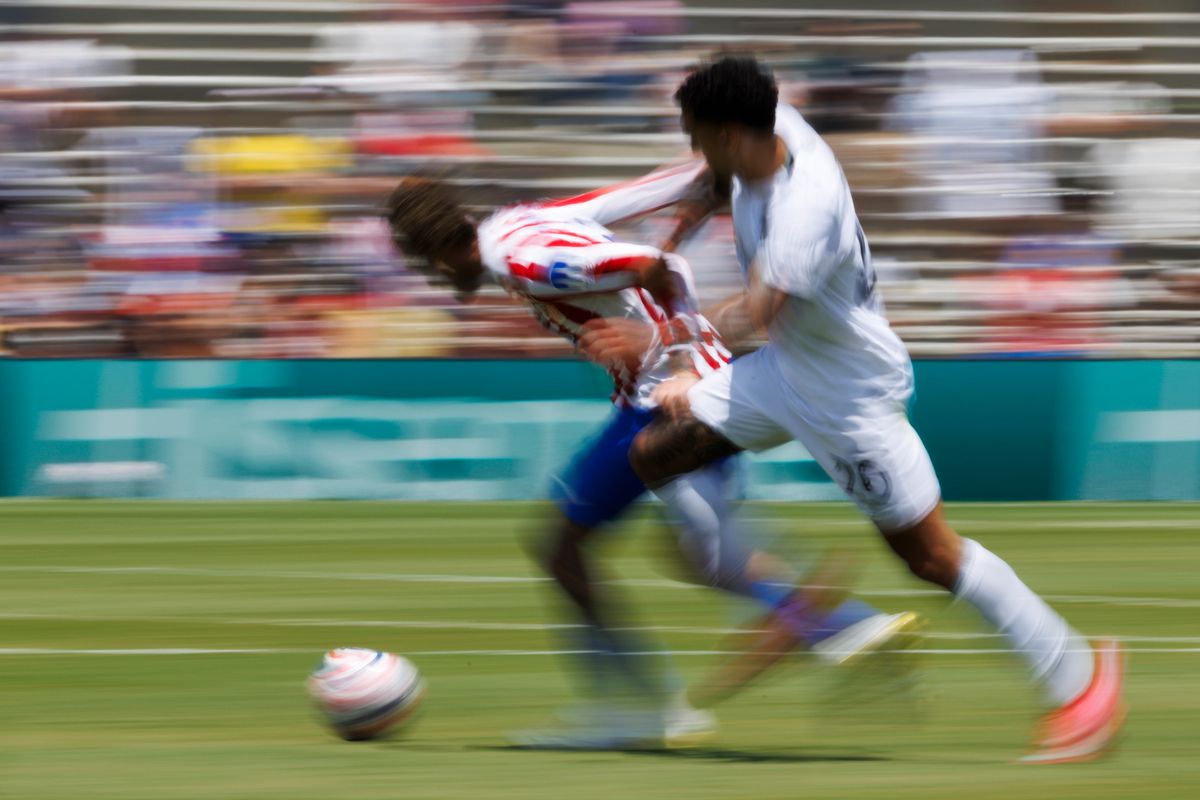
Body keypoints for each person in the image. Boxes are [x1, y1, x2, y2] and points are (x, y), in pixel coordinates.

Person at [580, 55, 1125, 764]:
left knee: (929, 556)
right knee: (654, 452)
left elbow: (757, 313)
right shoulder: (760, 139)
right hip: (785, 372)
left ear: (734, 133)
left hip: (847, 396)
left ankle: (1080, 683)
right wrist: (702, 199)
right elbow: (723, 182)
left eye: (699, 138)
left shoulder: (808, 205)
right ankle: (799, 605)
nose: (694, 153)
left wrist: (662, 338)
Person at [385, 168, 920, 749]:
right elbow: (656, 188)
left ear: (440, 251)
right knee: (704, 557)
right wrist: (699, 189)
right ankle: (842, 627)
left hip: (668, 398)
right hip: (688, 389)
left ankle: (643, 708)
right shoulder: (522, 220)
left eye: (426, 267)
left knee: (566, 547)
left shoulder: (523, 263)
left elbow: (657, 270)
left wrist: (681, 355)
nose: (435, 281)